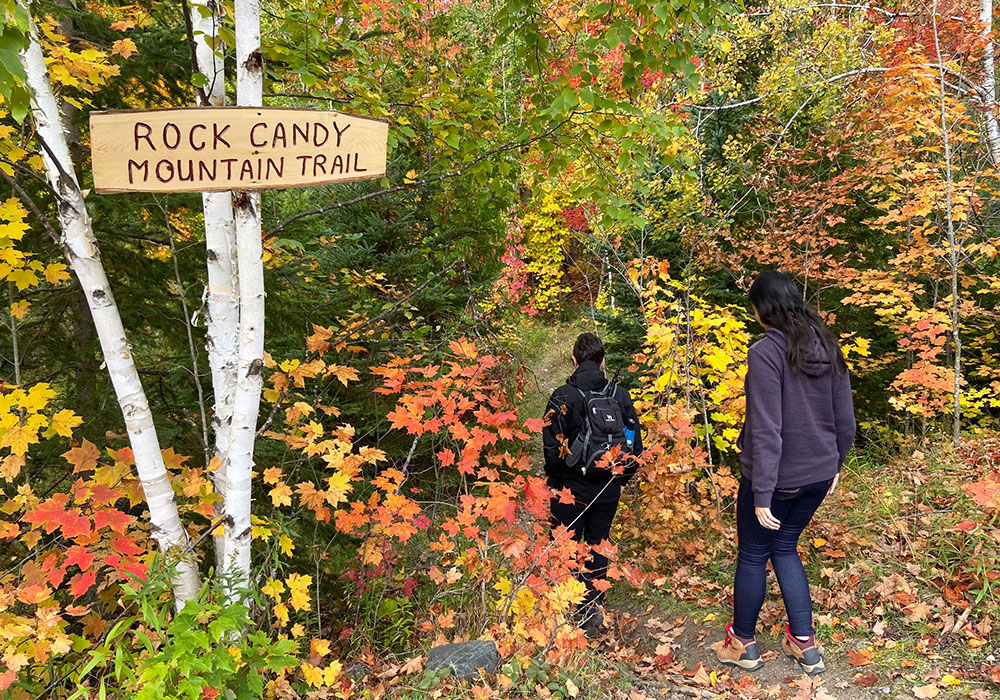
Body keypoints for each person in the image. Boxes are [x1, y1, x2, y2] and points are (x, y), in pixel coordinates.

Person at [713, 270, 856, 675]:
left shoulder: (765, 353)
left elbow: (766, 428)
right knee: (786, 547)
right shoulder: (828, 344)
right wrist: (834, 468)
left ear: (763, 310)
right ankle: (805, 645)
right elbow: (845, 421)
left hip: (778, 478)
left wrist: (762, 493)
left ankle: (742, 643)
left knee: (755, 553)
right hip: (817, 473)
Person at [542, 332, 643, 636]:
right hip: (607, 488)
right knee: (599, 542)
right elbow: (635, 445)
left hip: (570, 489)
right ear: (602, 361)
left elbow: (551, 447)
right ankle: (593, 606)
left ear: (574, 360)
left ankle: (566, 607)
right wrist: (620, 478)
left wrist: (555, 482)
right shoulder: (620, 395)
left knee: (566, 544)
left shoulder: (562, 395)